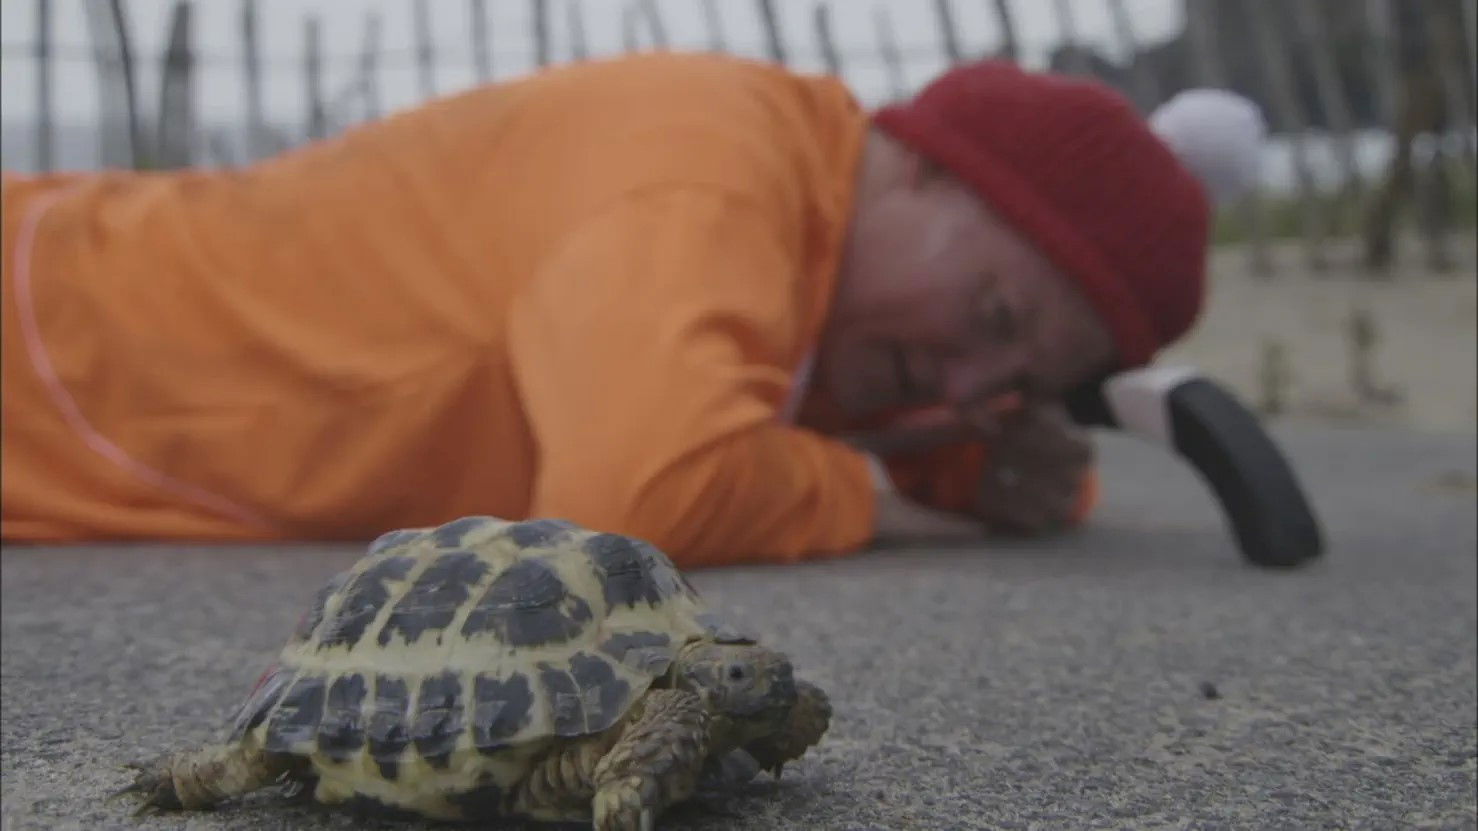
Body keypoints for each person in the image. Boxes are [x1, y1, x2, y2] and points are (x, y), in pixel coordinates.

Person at [0, 51, 1261, 568]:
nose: (962, 381)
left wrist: (980, 458)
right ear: (922, 159)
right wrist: (874, 491)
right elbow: (640, 497)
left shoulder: (818, 243)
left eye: (1018, 382)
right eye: (990, 309)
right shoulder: (706, 176)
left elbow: (793, 395)